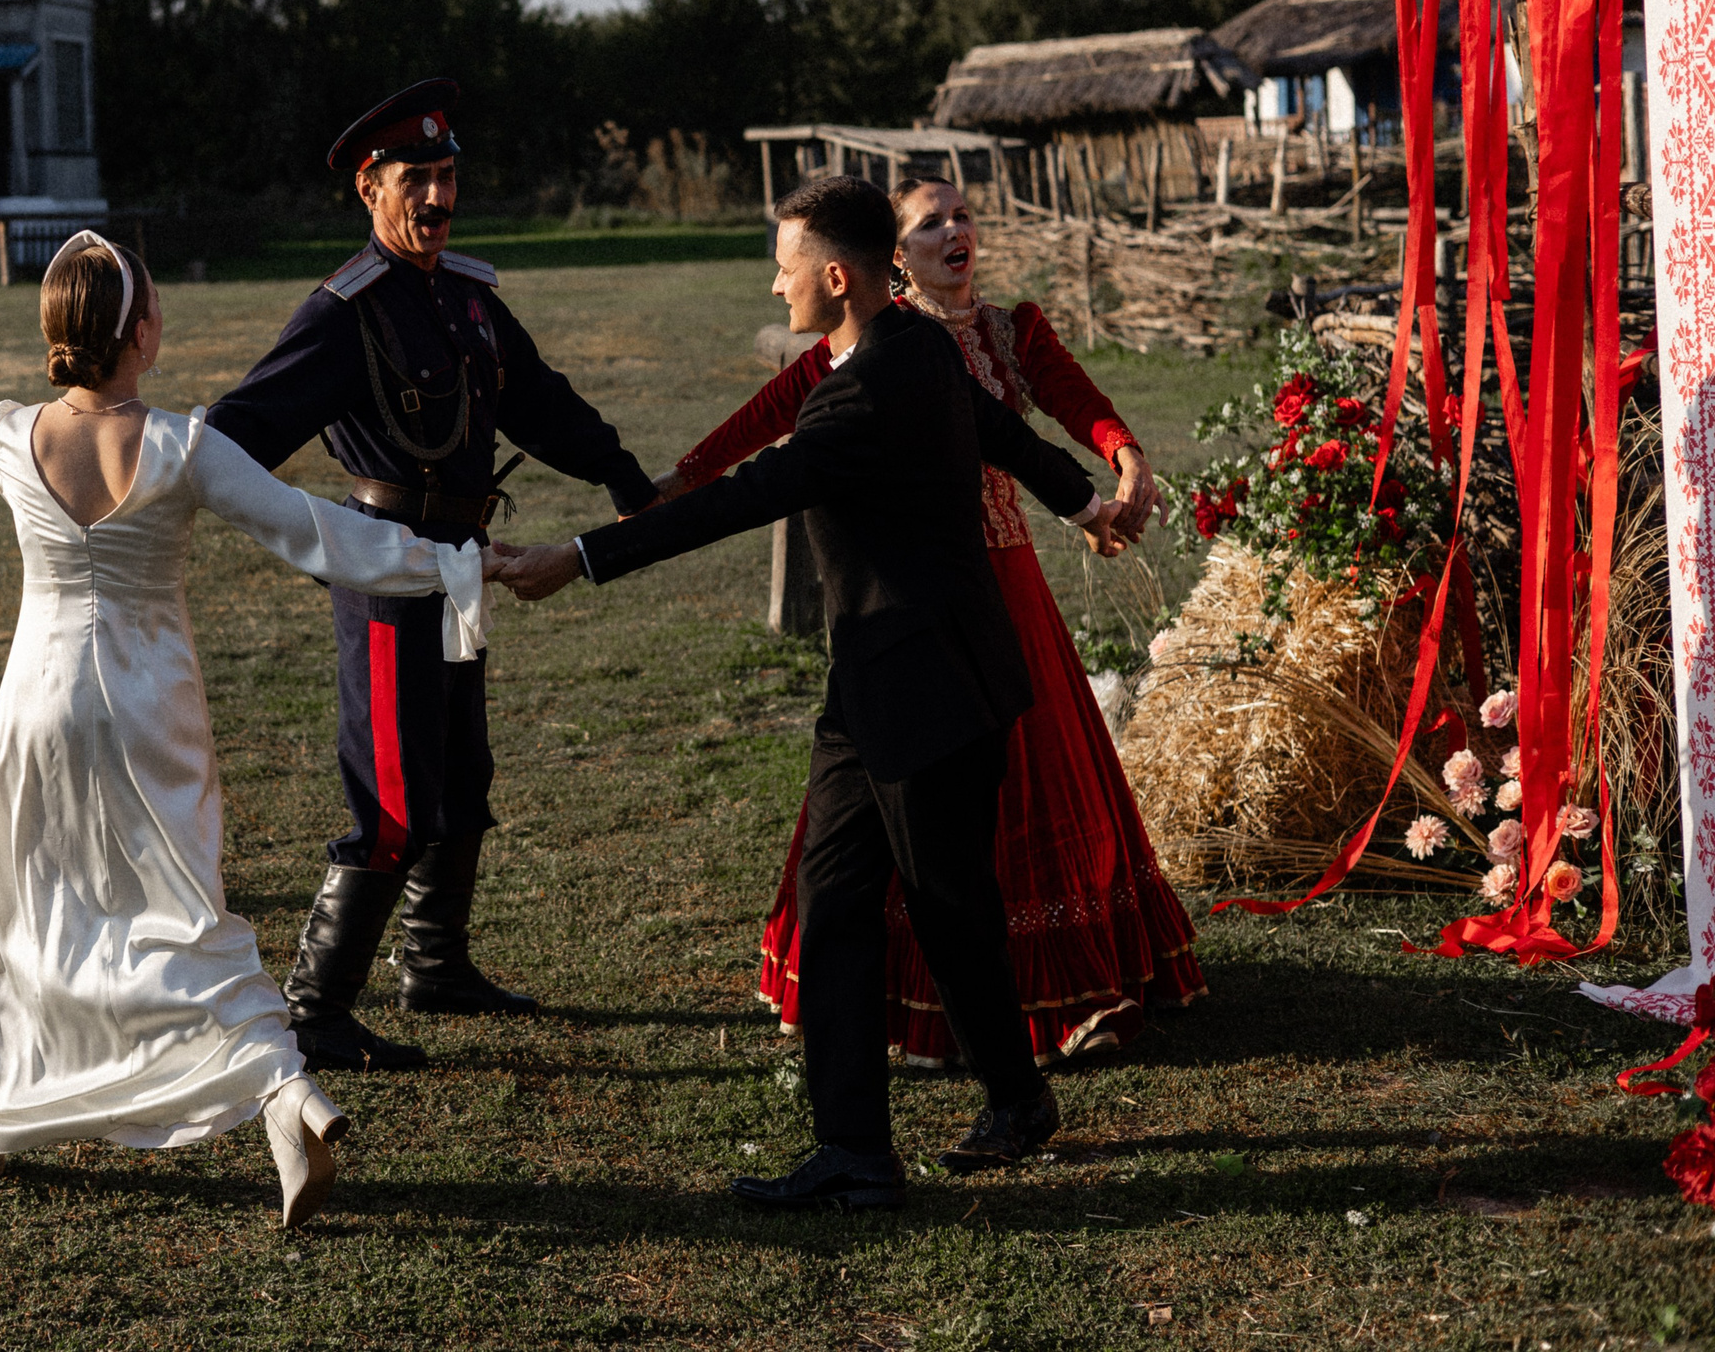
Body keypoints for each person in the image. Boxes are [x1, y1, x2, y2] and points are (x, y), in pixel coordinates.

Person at [492, 176, 1125, 1212]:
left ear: (835, 277)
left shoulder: (865, 389)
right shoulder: (916, 345)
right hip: (880, 689)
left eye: (785, 262)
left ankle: (1010, 1099)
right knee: (841, 899)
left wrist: (577, 557)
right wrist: (1079, 498)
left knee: (947, 904)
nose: (773, 278)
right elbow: (994, 427)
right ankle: (858, 1149)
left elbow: (742, 499)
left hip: (926, 696)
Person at [0, 230, 499, 1230]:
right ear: (144, 334)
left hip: (33, 705)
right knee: (182, 918)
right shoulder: (180, 446)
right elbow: (317, 531)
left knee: (30, 904)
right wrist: (453, 561)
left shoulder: (10, 436)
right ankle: (283, 1092)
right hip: (148, 707)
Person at [663, 177, 1206, 1064]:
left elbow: (1069, 405)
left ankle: (1073, 986)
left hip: (1012, 590)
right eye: (930, 225)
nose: (955, 232)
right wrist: (661, 490)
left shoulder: (1010, 329)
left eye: (963, 216)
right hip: (918, 600)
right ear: (894, 258)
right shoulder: (877, 347)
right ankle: (934, 1001)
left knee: (1045, 787)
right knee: (919, 812)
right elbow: (750, 433)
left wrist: (1125, 456)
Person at [204, 79, 661, 1072]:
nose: (436, 198)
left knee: (463, 772)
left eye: (447, 176)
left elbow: (536, 399)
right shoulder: (342, 311)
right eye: (416, 178)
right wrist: (311, 533)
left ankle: (434, 963)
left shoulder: (464, 294)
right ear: (369, 187)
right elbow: (232, 438)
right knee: (397, 793)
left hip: (460, 565)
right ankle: (316, 1008)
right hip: (381, 568)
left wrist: (620, 470)